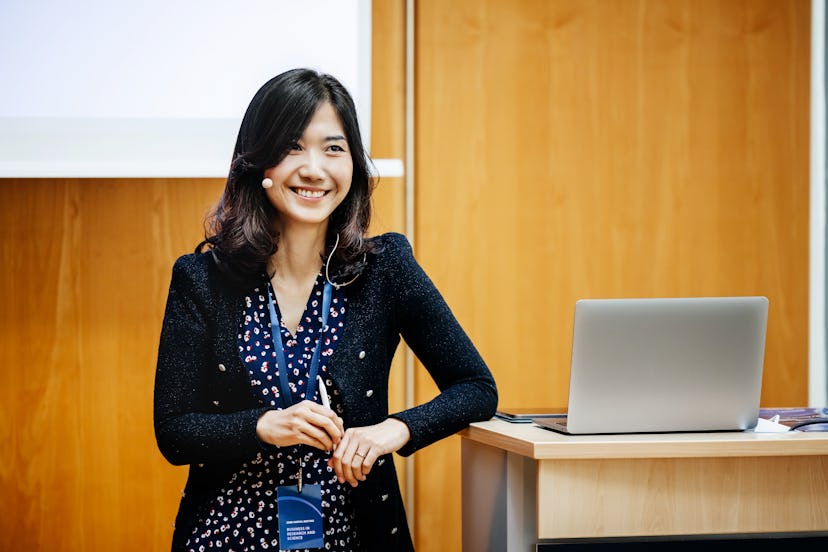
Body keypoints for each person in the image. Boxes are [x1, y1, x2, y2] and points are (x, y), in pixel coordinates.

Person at [153, 68, 498, 552]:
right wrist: (263, 426)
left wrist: (390, 432)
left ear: (352, 164)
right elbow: (174, 431)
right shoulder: (202, 278)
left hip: (349, 534)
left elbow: (476, 388)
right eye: (293, 147)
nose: (315, 168)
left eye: (334, 148)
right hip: (227, 534)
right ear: (259, 164)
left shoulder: (386, 268)